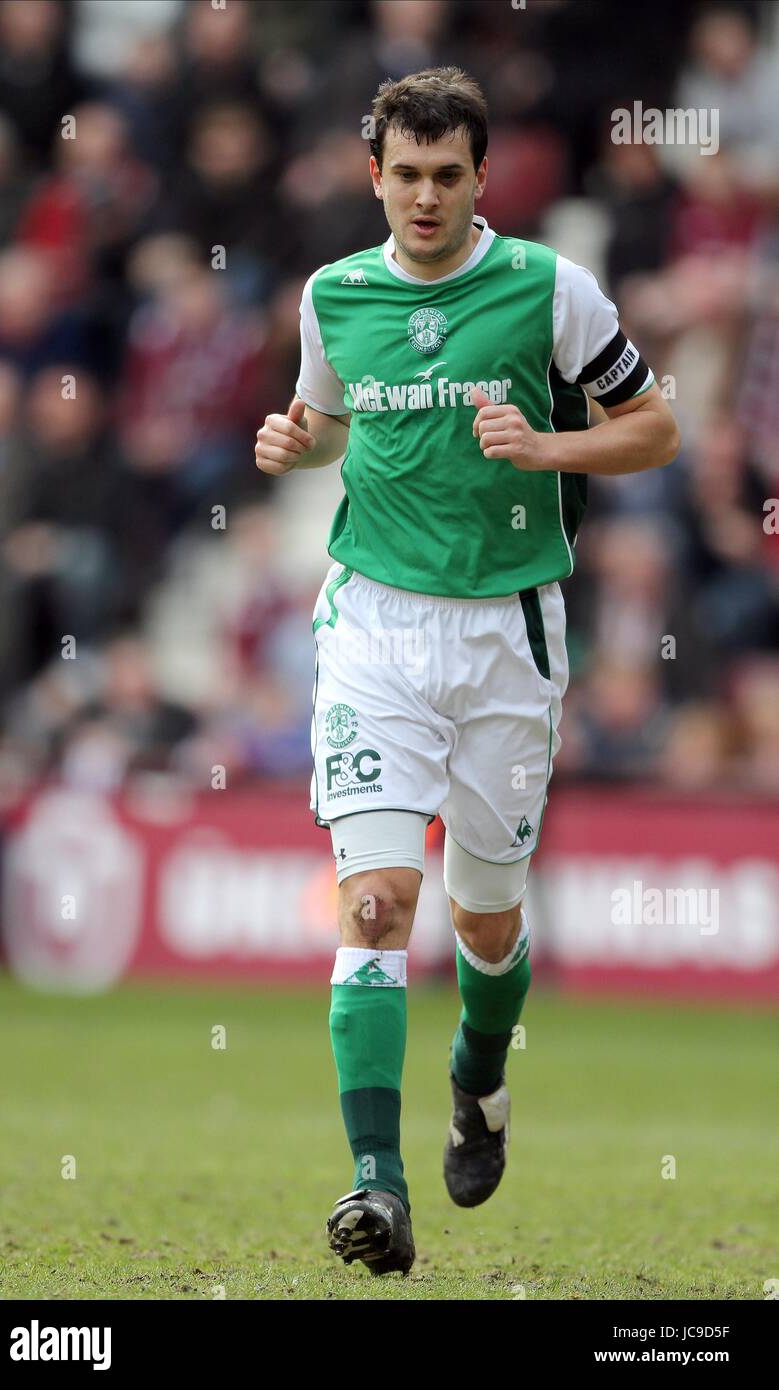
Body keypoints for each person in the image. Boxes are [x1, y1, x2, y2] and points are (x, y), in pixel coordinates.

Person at [254, 67, 679, 1276]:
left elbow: (657, 428)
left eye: (449, 176)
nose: (426, 197)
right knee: (379, 903)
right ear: (373, 175)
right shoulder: (333, 296)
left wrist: (550, 441)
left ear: (482, 177)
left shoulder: (552, 288)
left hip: (509, 635)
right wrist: (297, 440)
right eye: (406, 176)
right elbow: (333, 419)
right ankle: (375, 1186)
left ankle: (478, 1080)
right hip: (377, 627)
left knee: (488, 924)